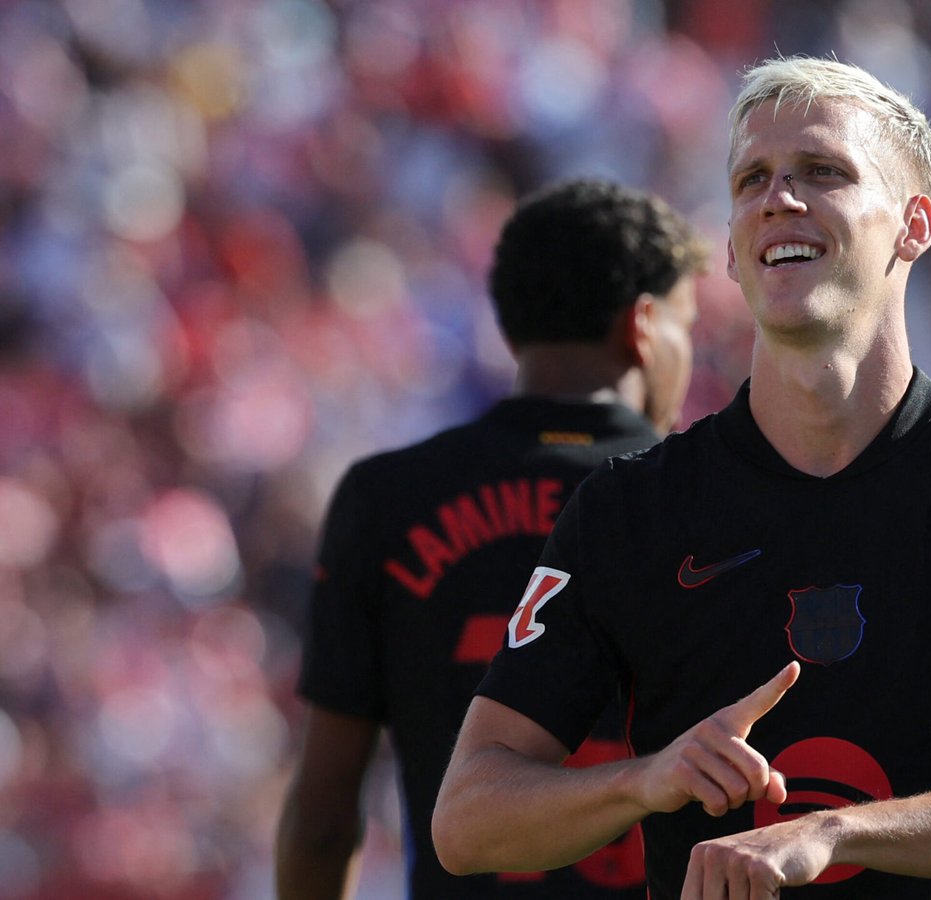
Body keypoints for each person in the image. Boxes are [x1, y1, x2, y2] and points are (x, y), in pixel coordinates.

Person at [431, 56, 931, 900]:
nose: (779, 198)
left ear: (915, 225)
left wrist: (829, 834)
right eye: (753, 178)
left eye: (823, 172)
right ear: (729, 248)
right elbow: (467, 817)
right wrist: (643, 780)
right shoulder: (631, 507)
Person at [274, 178, 707, 900]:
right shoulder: (715, 497)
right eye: (685, 326)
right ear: (642, 326)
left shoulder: (385, 498)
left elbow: (324, 816)